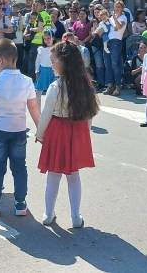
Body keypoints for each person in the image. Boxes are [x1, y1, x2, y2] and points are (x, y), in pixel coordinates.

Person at [36, 40, 99, 228]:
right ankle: (75, 216)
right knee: (73, 175)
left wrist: (40, 134)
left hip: (57, 131)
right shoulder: (85, 85)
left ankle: (49, 213)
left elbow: (46, 114)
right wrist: (85, 132)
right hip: (77, 130)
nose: (52, 64)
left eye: (53, 60)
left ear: (64, 62)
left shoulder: (56, 87)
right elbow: (90, 113)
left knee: (53, 174)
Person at [0, 39, 41, 217]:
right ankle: (20, 203)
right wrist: (40, 129)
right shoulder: (27, 81)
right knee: (19, 166)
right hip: (19, 131)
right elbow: (33, 108)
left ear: (0, 60)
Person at [105, 0, 128, 96]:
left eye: (119, 7)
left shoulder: (123, 17)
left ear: (122, 8)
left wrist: (114, 18)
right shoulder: (111, 18)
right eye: (116, 6)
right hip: (107, 42)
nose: (117, 8)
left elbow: (118, 27)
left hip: (116, 42)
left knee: (115, 64)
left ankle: (118, 87)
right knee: (108, 65)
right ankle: (110, 86)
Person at [35, 30, 57, 97]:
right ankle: (38, 104)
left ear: (53, 38)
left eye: (48, 38)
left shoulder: (56, 49)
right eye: (44, 39)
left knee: (53, 91)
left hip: (53, 72)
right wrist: (37, 71)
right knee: (38, 91)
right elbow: (37, 61)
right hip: (43, 71)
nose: (47, 40)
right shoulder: (41, 49)